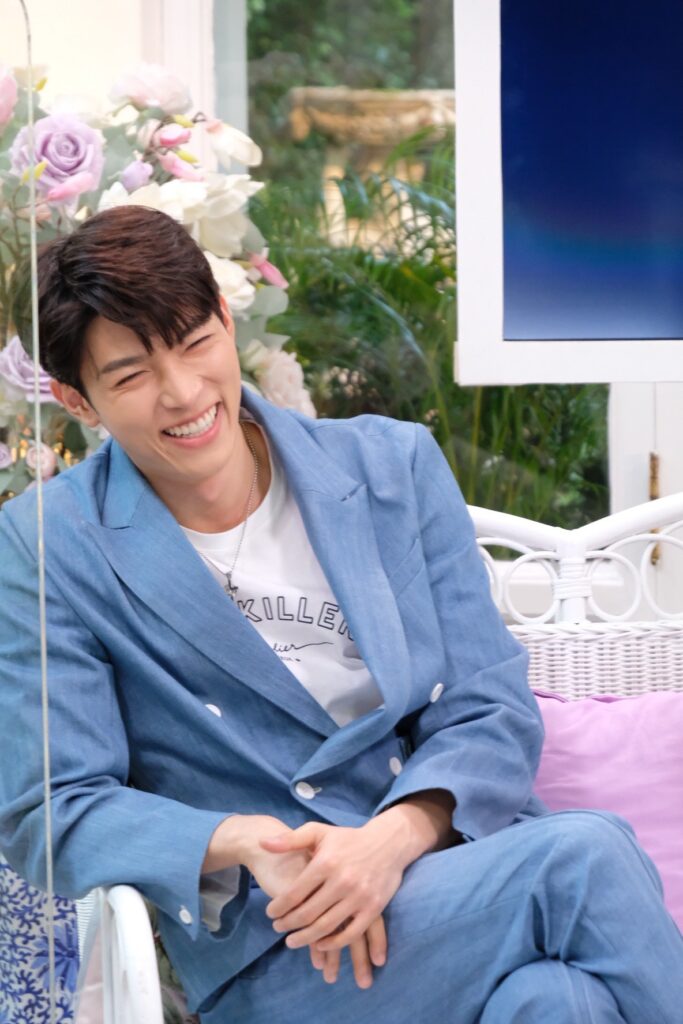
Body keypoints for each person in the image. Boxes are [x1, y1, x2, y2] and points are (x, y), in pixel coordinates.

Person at [0, 206, 681, 1024]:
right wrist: (243, 841)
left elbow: (488, 707)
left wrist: (392, 840)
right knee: (584, 858)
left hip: (460, 873)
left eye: (194, 342)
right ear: (77, 400)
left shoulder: (391, 466)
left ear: (226, 322)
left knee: (556, 1003)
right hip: (288, 936)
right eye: (132, 375)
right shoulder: (50, 547)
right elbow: (52, 808)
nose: (182, 393)